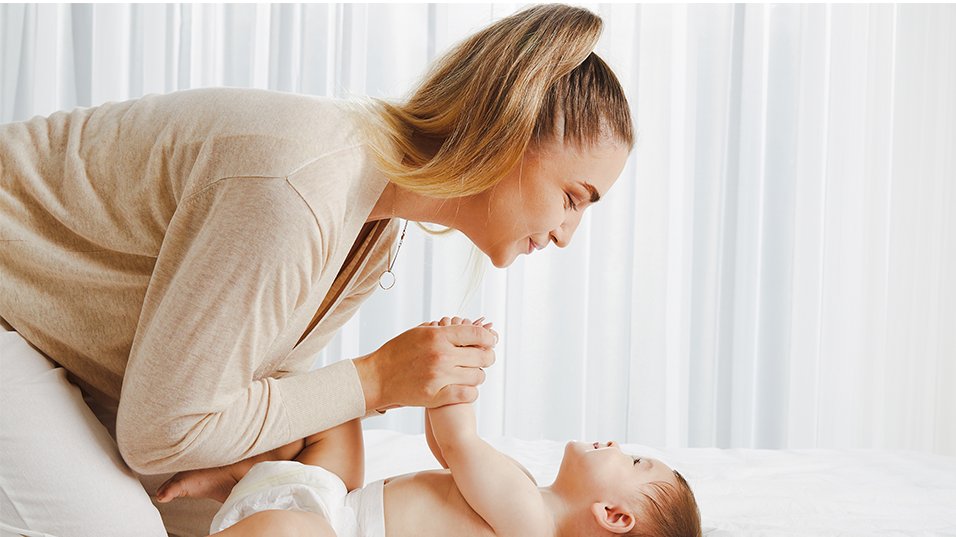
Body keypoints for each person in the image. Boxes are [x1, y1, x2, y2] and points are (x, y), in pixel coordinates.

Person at [0, 4, 633, 536]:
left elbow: (254, 375)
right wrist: (376, 379)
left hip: (84, 356)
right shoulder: (299, 186)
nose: (565, 234)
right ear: (508, 133)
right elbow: (160, 435)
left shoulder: (376, 229)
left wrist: (258, 458)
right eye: (573, 198)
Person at [158, 318, 701, 537]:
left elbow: (458, 437)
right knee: (337, 413)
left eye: (632, 461)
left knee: (297, 532)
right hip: (336, 504)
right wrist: (437, 397)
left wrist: (454, 370)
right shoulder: (521, 490)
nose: (616, 445)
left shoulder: (531, 522)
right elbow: (445, 449)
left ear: (614, 515)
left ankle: (247, 485)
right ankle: (242, 474)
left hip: (329, 530)